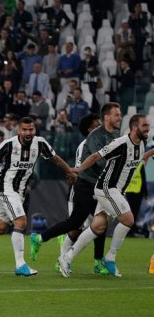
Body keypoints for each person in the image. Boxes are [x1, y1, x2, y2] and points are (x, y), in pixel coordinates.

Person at [0, 116, 76, 276]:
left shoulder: (40, 143)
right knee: (21, 221)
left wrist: (69, 171)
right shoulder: (8, 145)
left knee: (0, 227)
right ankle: (20, 264)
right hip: (5, 188)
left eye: (31, 129)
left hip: (20, 192)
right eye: (25, 129)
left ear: (34, 129)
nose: (28, 132)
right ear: (19, 130)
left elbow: (55, 159)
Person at [30, 103, 121, 274]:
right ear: (89, 129)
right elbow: (85, 166)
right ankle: (66, 255)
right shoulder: (86, 144)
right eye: (95, 124)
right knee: (84, 224)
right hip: (85, 186)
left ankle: (43, 238)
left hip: (95, 186)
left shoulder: (107, 137)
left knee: (89, 222)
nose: (99, 125)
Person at [59, 115, 150, 278]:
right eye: (144, 126)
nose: (148, 128)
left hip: (117, 191)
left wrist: (149, 154)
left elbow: (141, 156)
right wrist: (79, 170)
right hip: (107, 188)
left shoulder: (141, 144)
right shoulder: (120, 143)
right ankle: (110, 257)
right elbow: (96, 156)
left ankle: (66, 257)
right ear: (134, 128)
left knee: (97, 227)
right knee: (128, 220)